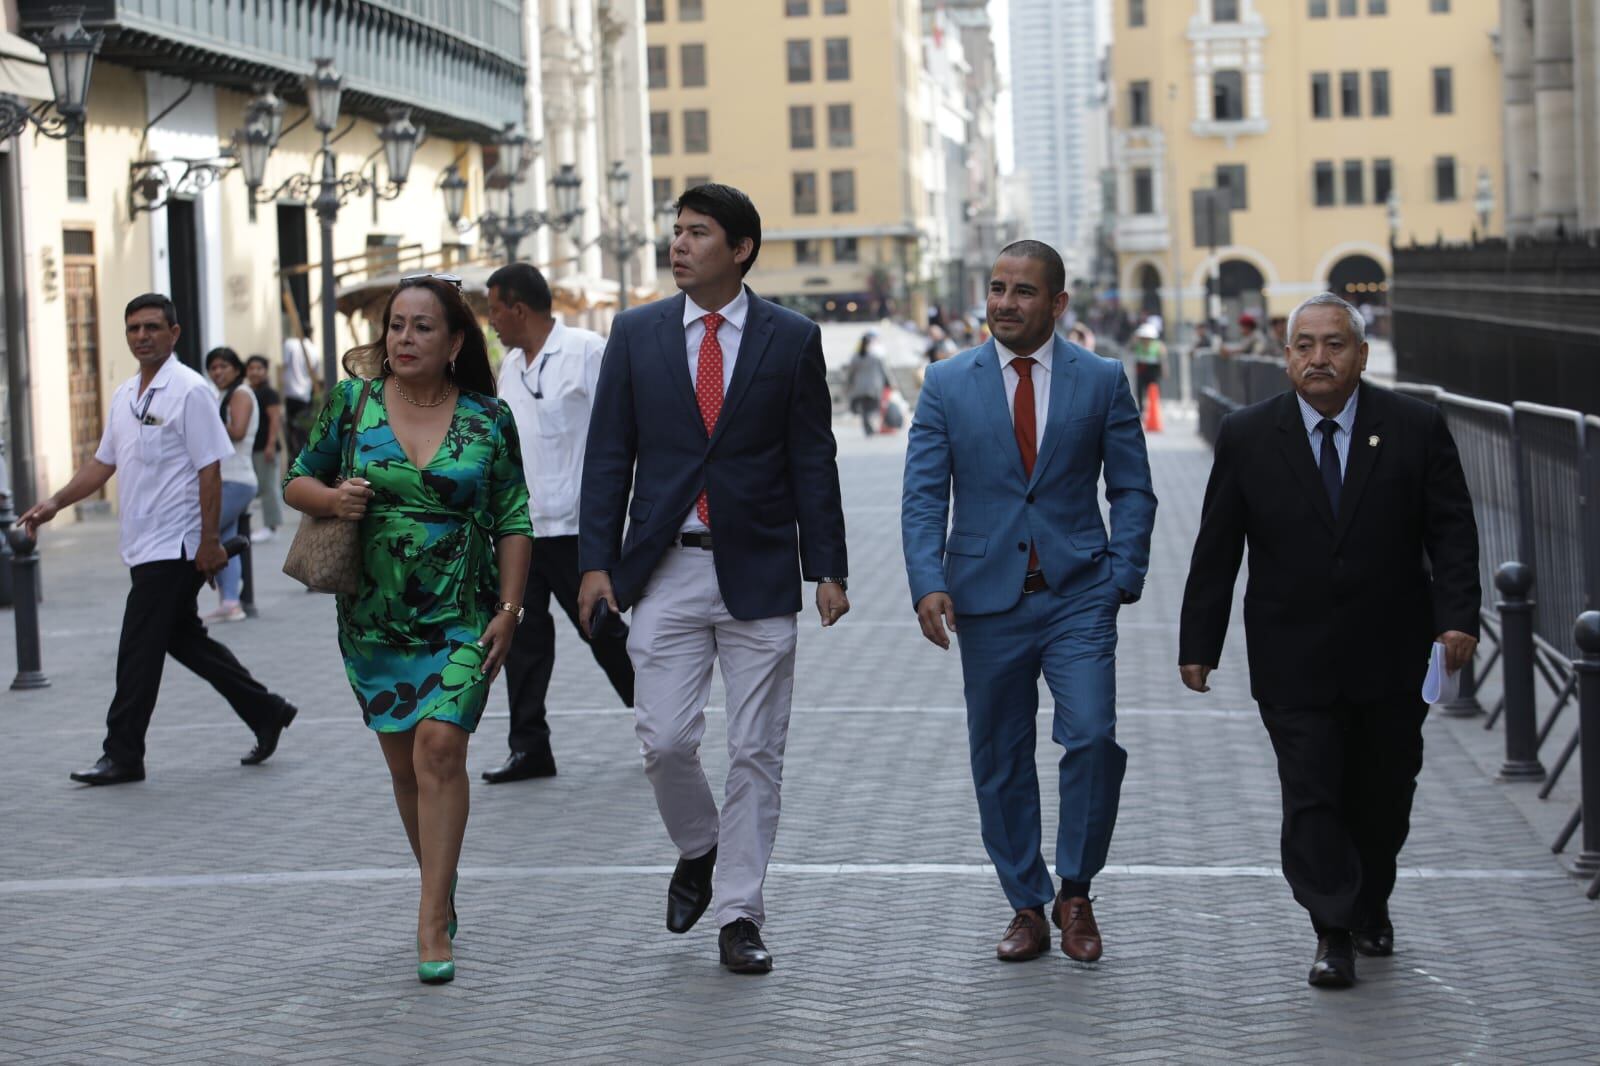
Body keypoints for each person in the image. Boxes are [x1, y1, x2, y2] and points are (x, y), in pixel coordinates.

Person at [578, 183, 849, 975]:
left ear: (740, 250)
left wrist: (825, 566)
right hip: (665, 567)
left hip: (760, 571)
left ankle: (739, 913)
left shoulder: (791, 338)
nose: (679, 244)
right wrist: (597, 562)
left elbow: (813, 457)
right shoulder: (635, 334)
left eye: (698, 233)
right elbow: (607, 456)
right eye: (676, 230)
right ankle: (700, 847)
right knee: (663, 741)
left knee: (757, 751)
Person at [1178, 292, 1479, 989]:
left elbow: (1452, 532)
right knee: (1312, 793)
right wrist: (1200, 641)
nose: (1319, 357)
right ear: (1286, 357)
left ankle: (1371, 900)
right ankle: (1331, 929)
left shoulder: (1414, 427)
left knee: (1382, 795)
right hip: (1293, 655)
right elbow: (1217, 546)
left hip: (1393, 652)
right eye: (1304, 344)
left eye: (1334, 344)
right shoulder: (1250, 435)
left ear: (1361, 354)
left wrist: (1457, 616)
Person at [901, 241, 1157, 964]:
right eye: (997, 288)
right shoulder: (947, 383)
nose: (1005, 302)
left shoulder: (1102, 379)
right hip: (986, 602)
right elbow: (923, 495)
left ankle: (1075, 891)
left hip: (1079, 593)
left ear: (1057, 303)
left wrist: (1121, 574)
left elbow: (1132, 486)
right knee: (1001, 756)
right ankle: (1026, 903)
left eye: (1022, 291)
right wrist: (927, 580)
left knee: (1093, 737)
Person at [283, 274, 533, 985]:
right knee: (405, 766)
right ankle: (441, 889)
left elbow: (515, 518)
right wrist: (334, 497)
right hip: (373, 618)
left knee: (441, 748)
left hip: (462, 613)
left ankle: (428, 919)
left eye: (423, 327)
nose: (404, 338)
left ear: (456, 342)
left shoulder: (488, 418)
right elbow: (297, 481)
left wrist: (509, 612)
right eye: (396, 325)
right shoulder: (351, 403)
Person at [19, 294, 298, 786]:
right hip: (143, 541)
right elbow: (104, 462)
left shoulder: (189, 391)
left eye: (152, 327)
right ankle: (266, 710)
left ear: (174, 333)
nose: (142, 336)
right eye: (133, 329)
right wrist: (54, 503)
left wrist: (210, 542)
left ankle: (123, 753)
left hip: (177, 543)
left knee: (137, 649)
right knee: (182, 639)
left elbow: (210, 469)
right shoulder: (126, 394)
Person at [481, 262, 634, 784]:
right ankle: (530, 748)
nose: (491, 320)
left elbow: (623, 431)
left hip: (579, 527)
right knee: (521, 641)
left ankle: (662, 726)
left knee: (604, 631)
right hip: (522, 529)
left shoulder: (587, 352)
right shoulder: (508, 367)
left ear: (518, 308)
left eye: (494, 309)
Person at [203, 347, 259, 623]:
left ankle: (230, 600)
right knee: (225, 542)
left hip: (236, 479)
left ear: (236, 369)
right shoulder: (224, 395)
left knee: (204, 532)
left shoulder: (241, 394)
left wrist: (203, 423)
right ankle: (230, 602)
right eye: (213, 367)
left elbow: (236, 431)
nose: (217, 372)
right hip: (227, 478)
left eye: (223, 366)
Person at [246, 354, 284, 542]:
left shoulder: (269, 393)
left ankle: (272, 526)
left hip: (265, 448)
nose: (254, 372)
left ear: (265, 371)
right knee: (257, 488)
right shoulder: (247, 392)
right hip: (252, 447)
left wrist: (270, 445)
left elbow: (274, 419)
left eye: (258, 368)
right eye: (251, 368)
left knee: (269, 487)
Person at [281, 327, 319, 458]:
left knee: (291, 432)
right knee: (302, 431)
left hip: (290, 393)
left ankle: (294, 459)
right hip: (305, 394)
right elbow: (315, 372)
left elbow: (283, 365)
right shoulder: (314, 349)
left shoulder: (290, 344)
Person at [845, 330, 891, 437]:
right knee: (874, 408)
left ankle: (868, 428)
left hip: (860, 387)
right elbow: (884, 371)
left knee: (865, 409)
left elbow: (850, 373)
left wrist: (848, 385)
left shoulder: (855, 357)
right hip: (874, 386)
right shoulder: (876, 356)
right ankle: (872, 426)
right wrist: (890, 383)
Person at [1129, 322, 1165, 414]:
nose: (1146, 340)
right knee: (1140, 390)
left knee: (1153, 390)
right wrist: (1134, 338)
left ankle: (1154, 409)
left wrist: (1164, 369)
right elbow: (1129, 348)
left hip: (1153, 370)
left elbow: (1162, 358)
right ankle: (1141, 409)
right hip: (1141, 369)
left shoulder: (1158, 345)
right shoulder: (1138, 344)